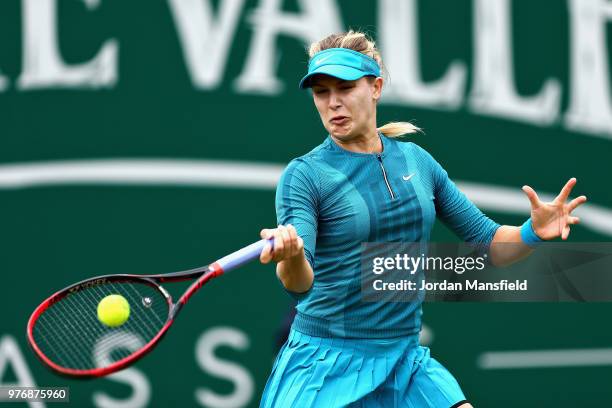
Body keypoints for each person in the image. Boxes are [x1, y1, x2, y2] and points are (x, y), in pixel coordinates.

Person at [258, 31, 587, 407]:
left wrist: (533, 232)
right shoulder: (304, 176)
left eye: (345, 88)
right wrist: (292, 255)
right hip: (325, 367)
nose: (333, 103)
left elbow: (492, 246)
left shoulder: (418, 162)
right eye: (321, 92)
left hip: (405, 360)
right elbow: (299, 285)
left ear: (375, 87)